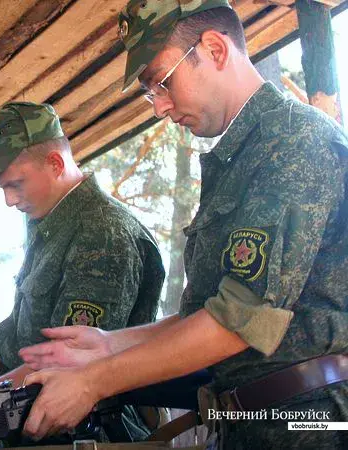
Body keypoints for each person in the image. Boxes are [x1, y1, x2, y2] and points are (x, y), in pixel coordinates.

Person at [18, 1, 348, 449]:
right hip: (254, 423)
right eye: (151, 91)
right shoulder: (243, 154)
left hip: (312, 427)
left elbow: (237, 321)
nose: (160, 107)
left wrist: (95, 381)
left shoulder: (293, 141)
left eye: (162, 82)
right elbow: (208, 313)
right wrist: (110, 344)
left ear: (213, 49)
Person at [0, 101, 165, 440]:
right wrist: (0, 347)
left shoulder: (101, 233)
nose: (9, 200)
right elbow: (35, 316)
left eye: (16, 184)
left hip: (84, 433)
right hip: (29, 414)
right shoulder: (49, 220)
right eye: (3, 188)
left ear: (56, 163)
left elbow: (67, 360)